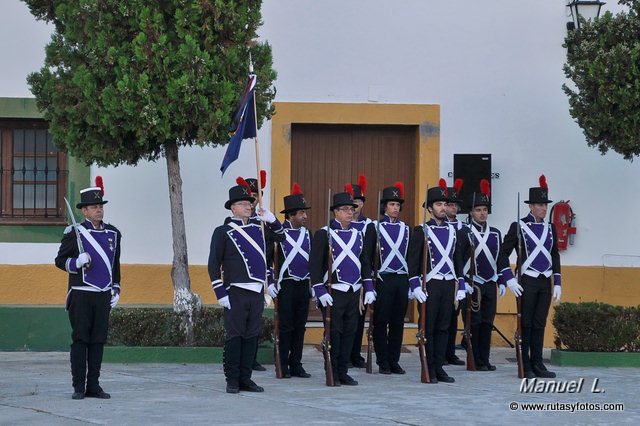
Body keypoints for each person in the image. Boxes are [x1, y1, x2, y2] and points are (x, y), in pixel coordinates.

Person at [208, 179, 284, 393]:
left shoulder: (260, 228)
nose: (249, 206)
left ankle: (246, 378)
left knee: (252, 336)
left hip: (257, 291)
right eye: (243, 204)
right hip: (235, 291)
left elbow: (282, 237)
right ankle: (232, 379)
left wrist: (272, 220)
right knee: (235, 336)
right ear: (233, 208)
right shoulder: (222, 231)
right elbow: (213, 264)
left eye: (250, 203)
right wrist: (219, 290)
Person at [54, 178, 121, 400]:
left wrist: (116, 289)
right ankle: (78, 387)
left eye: (101, 206)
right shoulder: (74, 232)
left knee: (98, 341)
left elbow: (115, 264)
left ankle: (94, 385)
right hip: (81, 293)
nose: (99, 210)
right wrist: (77, 262)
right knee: (81, 339)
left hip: (103, 294)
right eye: (94, 207)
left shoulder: (113, 234)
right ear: (84, 211)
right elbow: (60, 261)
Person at [497, 175, 561, 379]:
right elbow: (502, 253)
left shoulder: (550, 227)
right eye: (540, 205)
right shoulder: (518, 226)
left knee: (540, 323)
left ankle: (537, 363)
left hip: (545, 281)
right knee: (526, 324)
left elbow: (554, 254)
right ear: (531, 206)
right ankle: (525, 364)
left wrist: (558, 281)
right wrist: (509, 278)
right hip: (527, 281)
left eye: (545, 205)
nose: (543, 209)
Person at [309, 190, 375, 386]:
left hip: (353, 292)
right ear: (335, 212)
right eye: (344, 209)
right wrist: (319, 290)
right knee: (334, 333)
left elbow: (364, 263)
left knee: (350, 333)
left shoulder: (358, 234)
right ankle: (332, 370)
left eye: (351, 209)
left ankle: (343, 371)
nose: (349, 212)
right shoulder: (324, 233)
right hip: (333, 292)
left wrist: (369, 286)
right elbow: (315, 265)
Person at [408, 179, 468, 383]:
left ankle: (439, 367)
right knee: (429, 327)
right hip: (430, 285)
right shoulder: (421, 231)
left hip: (448, 284)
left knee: (444, 328)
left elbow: (458, 259)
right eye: (438, 204)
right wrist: (415, 286)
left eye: (445, 204)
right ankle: (428, 366)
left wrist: (461, 284)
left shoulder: (453, 231)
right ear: (430, 208)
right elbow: (413, 262)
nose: (443, 208)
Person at [366, 182, 422, 375]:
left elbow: (411, 257)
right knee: (381, 322)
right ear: (384, 207)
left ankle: (394, 359)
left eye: (398, 205)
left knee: (398, 322)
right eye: (392, 204)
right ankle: (383, 361)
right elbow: (367, 256)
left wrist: (412, 283)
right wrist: (369, 283)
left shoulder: (407, 229)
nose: (395, 208)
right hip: (383, 279)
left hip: (401, 279)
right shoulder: (374, 227)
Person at [457, 179, 503, 371]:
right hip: (472, 284)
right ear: (471, 212)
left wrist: (501, 279)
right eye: (478, 210)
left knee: (487, 322)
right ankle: (474, 359)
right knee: (473, 323)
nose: (482, 213)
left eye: (484, 209)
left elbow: (500, 258)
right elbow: (457, 259)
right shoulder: (464, 232)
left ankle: (485, 358)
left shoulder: (495, 233)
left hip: (489, 283)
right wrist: (462, 281)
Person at [271, 182, 312, 379]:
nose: (305, 216)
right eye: (302, 213)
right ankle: (284, 364)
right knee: (286, 326)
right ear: (291, 215)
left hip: (303, 284)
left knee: (300, 326)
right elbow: (268, 260)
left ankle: (296, 363)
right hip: (285, 284)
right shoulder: (278, 233)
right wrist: (271, 282)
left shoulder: (307, 234)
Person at [347, 174, 371, 369]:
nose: (354, 206)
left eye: (358, 201)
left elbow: (370, 253)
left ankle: (355, 353)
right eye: (351, 202)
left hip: (363, 276)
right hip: (343, 277)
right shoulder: (336, 226)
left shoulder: (369, 225)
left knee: (359, 318)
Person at [444, 179, 466, 366]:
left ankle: (450, 351)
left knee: (453, 316)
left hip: (456, 277)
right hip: (438, 276)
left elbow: (463, 253)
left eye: (454, 205)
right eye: (449, 204)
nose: (452, 208)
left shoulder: (463, 229)